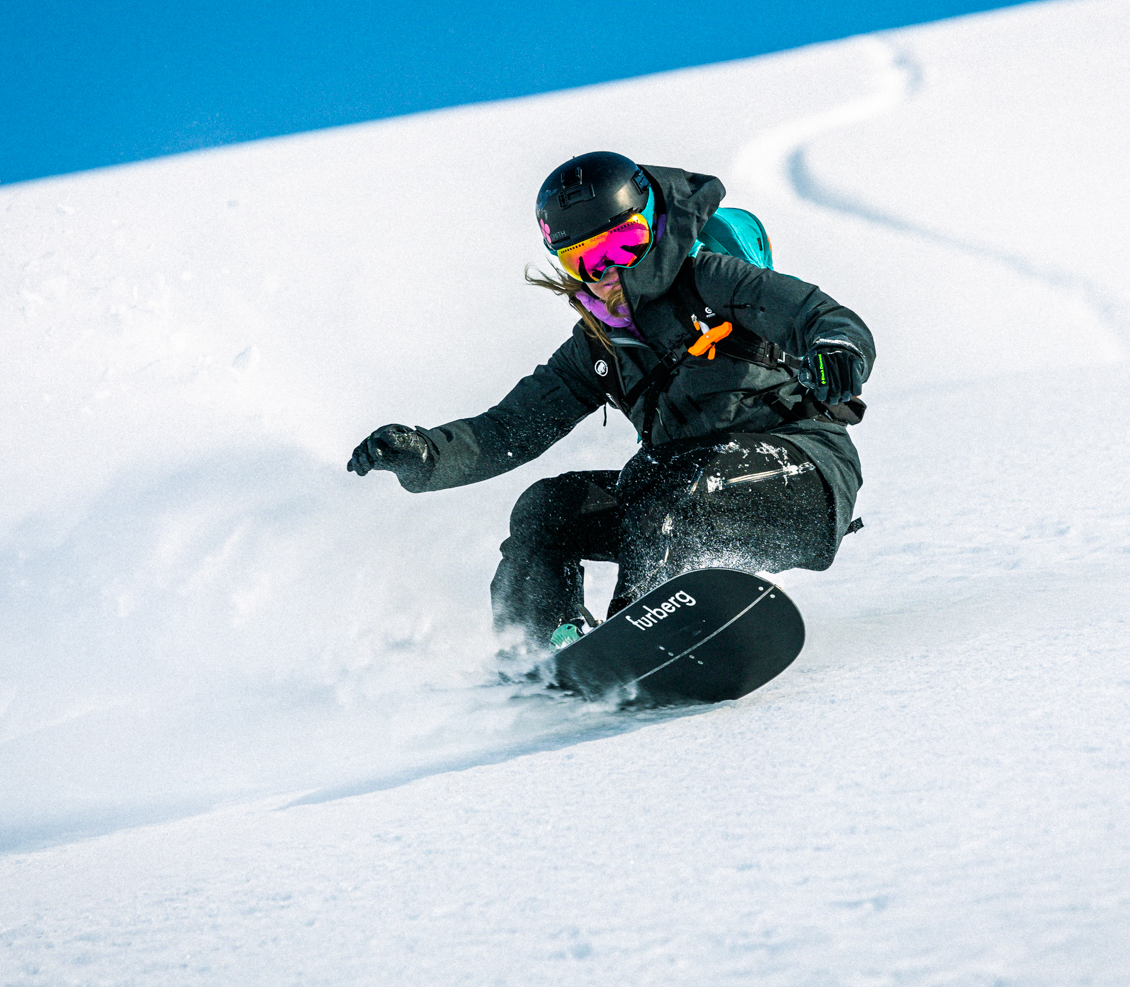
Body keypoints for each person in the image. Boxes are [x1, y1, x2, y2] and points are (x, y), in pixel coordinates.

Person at [346, 152, 874, 649]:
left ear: (656, 228)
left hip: (801, 477)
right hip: (676, 501)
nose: (610, 273)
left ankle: (635, 638)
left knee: (665, 476)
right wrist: (428, 455)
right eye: (587, 260)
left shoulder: (711, 280)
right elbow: (508, 430)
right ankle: (540, 650)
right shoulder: (598, 347)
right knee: (547, 507)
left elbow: (818, 316)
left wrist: (838, 349)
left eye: (624, 245)